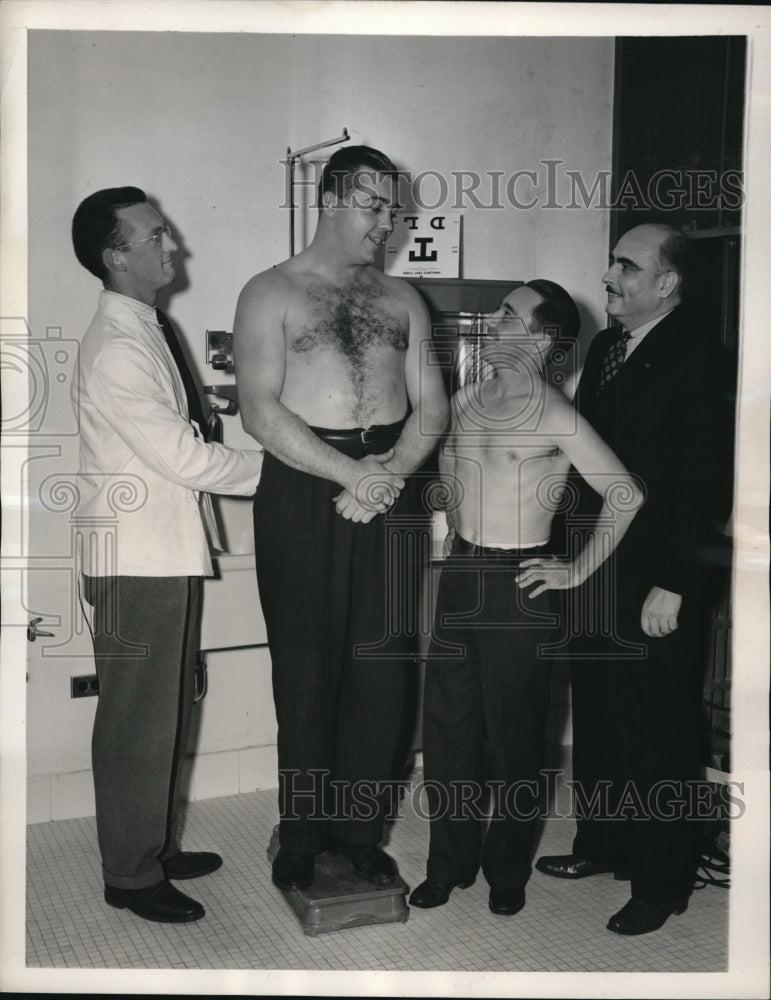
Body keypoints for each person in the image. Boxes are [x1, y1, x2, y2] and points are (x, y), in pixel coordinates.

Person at [233, 146, 449, 892]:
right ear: (329, 200)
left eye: (393, 209)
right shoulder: (270, 292)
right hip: (303, 485)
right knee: (306, 672)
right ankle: (301, 834)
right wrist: (347, 473)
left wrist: (386, 472)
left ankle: (359, 832)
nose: (386, 224)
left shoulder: (404, 301)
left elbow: (432, 407)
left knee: (383, 673)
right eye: (373, 206)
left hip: (389, 485)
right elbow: (259, 411)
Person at [409, 280, 644, 917]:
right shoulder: (464, 399)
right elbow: (449, 480)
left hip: (520, 586)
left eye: (508, 314)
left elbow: (625, 493)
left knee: (515, 741)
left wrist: (575, 570)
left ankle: (506, 870)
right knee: (448, 733)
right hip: (460, 576)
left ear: (541, 338)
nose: (493, 320)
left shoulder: (556, 413)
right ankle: (446, 866)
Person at [535, 224, 735, 935]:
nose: (609, 273)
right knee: (600, 708)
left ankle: (661, 879)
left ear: (666, 282)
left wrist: (677, 583)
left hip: (658, 576)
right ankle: (602, 843)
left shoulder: (703, 360)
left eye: (626, 264)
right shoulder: (606, 348)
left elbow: (710, 488)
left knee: (659, 727)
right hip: (597, 563)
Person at [71, 187, 263, 923]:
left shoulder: (145, 327)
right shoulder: (119, 348)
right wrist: (291, 472)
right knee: (137, 720)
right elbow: (186, 459)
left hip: (158, 551)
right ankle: (130, 873)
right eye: (154, 238)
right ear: (116, 256)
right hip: (135, 558)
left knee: (166, 707)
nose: (171, 247)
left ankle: (151, 844)